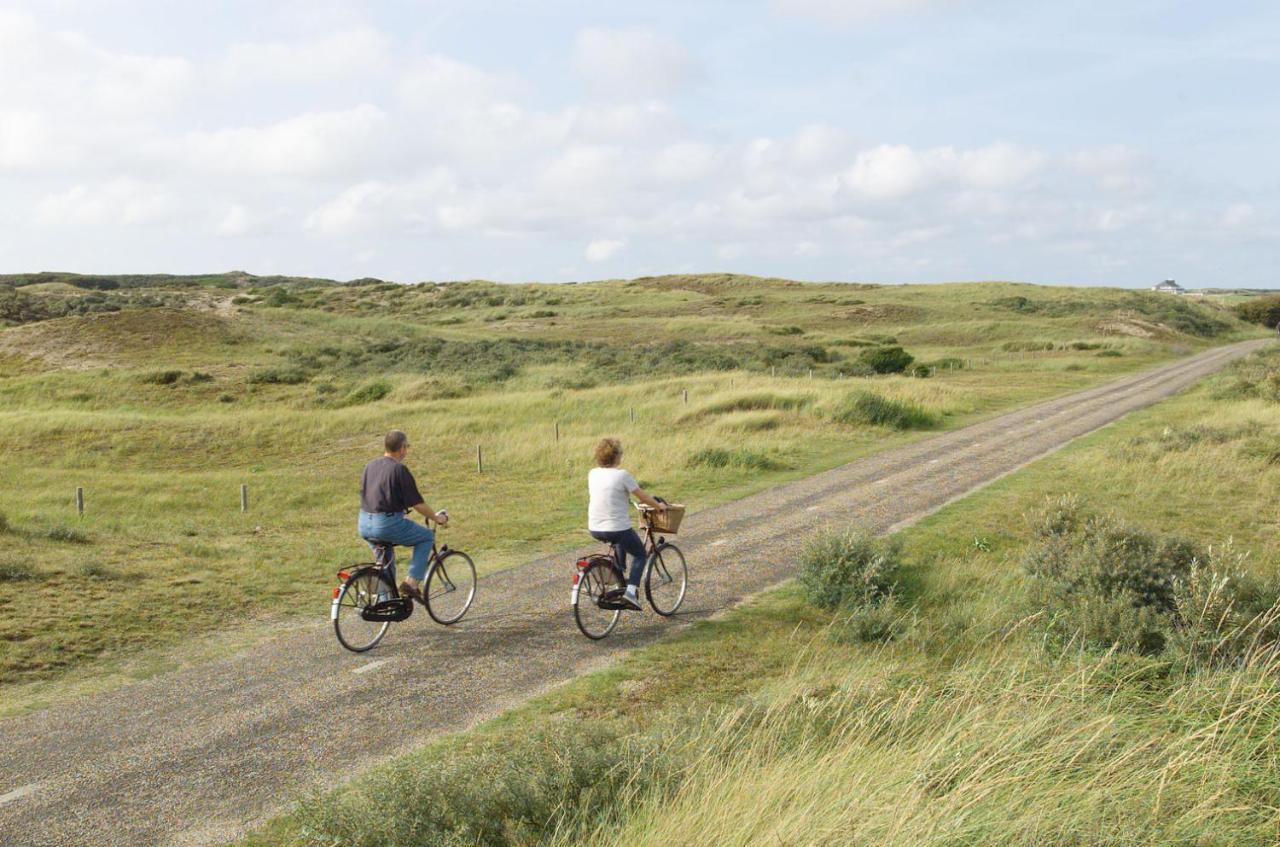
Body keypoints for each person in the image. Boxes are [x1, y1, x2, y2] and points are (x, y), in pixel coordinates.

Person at [358, 430, 449, 604]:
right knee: (426, 537)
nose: (406, 450)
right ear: (401, 449)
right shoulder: (399, 469)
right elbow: (418, 504)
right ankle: (412, 583)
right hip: (385, 524)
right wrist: (437, 518)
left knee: (386, 565)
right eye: (406, 446)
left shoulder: (370, 465)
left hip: (364, 523)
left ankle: (386, 605)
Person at [587, 437, 666, 611]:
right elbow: (643, 497)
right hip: (616, 528)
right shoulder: (622, 475)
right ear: (616, 457)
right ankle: (630, 593)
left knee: (620, 540)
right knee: (640, 555)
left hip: (595, 527)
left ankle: (617, 571)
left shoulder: (592, 474)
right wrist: (658, 506)